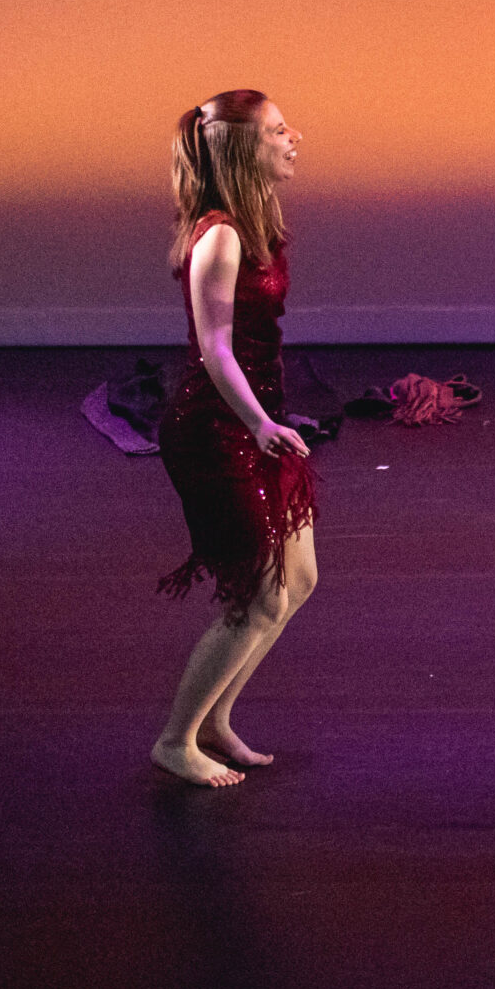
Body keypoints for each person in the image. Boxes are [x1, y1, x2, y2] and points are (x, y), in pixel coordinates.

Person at [152, 91, 318, 788]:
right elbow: (216, 348)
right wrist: (257, 422)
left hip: (256, 421)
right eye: (280, 131)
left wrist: (267, 419)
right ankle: (176, 738)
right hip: (214, 431)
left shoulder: (258, 224)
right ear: (245, 149)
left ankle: (217, 718)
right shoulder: (220, 234)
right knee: (258, 597)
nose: (295, 139)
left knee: (300, 578)